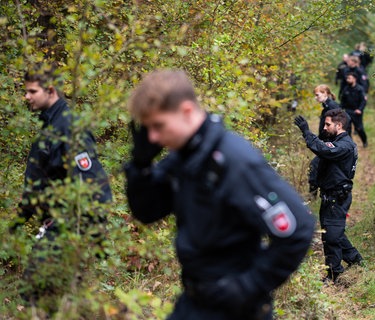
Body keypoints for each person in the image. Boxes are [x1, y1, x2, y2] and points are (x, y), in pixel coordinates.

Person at [124, 70, 315, 320]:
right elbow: (147, 211)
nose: (153, 137)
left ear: (187, 111)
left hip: (236, 308)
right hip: (195, 302)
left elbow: (298, 227)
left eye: (158, 126)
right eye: (148, 128)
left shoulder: (235, 160)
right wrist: (140, 167)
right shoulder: (184, 158)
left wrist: (247, 287)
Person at [9, 63, 113, 303]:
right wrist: (19, 222)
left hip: (67, 229)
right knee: (55, 299)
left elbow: (90, 183)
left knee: (33, 294)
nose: (27, 97)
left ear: (51, 90)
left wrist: (93, 235)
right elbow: (40, 181)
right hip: (55, 226)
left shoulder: (69, 128)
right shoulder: (50, 126)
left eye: (32, 91)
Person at [294, 109, 363, 283]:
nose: (324, 127)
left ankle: (334, 273)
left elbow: (325, 150)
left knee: (331, 236)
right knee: (334, 232)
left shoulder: (345, 145)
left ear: (339, 125)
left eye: (328, 124)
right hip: (329, 196)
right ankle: (355, 259)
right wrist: (314, 183)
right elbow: (320, 158)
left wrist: (307, 132)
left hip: (337, 197)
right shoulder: (336, 141)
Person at [308, 85, 344, 199]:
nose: (316, 98)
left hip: (330, 144)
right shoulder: (327, 106)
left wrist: (331, 143)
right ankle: (318, 195)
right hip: (326, 143)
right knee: (320, 167)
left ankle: (313, 197)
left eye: (317, 95)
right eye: (315, 95)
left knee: (314, 166)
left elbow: (338, 125)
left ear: (325, 93)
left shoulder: (332, 107)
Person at [340, 72, 368, 148]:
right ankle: (351, 145)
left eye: (349, 78)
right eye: (347, 78)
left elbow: (363, 101)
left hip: (356, 112)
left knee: (359, 128)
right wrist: (341, 110)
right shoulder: (346, 89)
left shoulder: (360, 89)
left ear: (354, 79)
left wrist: (360, 109)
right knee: (347, 129)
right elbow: (342, 101)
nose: (347, 80)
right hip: (347, 111)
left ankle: (365, 141)